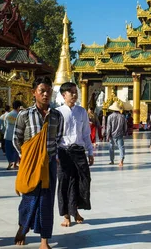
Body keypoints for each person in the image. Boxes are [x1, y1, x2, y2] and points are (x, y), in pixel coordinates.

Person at [13, 77, 64, 249]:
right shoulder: (25, 114)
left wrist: (53, 155)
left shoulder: (57, 115)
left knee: (47, 201)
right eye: (42, 90)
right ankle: (23, 226)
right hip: (30, 164)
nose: (45, 94)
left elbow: (58, 138)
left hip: (49, 164)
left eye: (48, 90)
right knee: (29, 197)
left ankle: (44, 240)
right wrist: (26, 157)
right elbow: (16, 138)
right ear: (34, 92)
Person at [56, 82, 94, 227]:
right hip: (63, 152)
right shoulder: (57, 112)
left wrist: (90, 151)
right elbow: (53, 137)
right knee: (65, 183)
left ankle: (76, 210)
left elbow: (86, 133)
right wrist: (55, 156)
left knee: (83, 181)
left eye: (75, 91)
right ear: (63, 95)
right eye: (71, 92)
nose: (74, 94)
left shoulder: (81, 111)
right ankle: (67, 215)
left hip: (79, 151)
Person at [0, 101, 21, 169]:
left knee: (8, 150)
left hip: (8, 135)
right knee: (16, 149)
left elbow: (5, 125)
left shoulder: (8, 115)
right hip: (15, 135)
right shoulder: (19, 115)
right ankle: (15, 163)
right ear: (18, 107)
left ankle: (10, 162)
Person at [106, 102, 128, 167]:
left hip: (112, 135)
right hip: (120, 134)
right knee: (121, 147)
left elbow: (108, 127)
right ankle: (121, 161)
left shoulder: (110, 117)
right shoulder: (122, 116)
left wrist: (107, 136)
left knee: (111, 148)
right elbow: (125, 126)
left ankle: (112, 161)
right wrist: (124, 132)